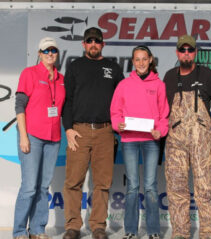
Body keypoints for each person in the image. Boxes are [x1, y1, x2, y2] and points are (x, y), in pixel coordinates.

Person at [163, 35, 211, 239]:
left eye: (190, 50)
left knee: (205, 187)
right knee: (176, 187)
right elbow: (162, 108)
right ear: (177, 53)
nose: (186, 54)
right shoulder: (169, 77)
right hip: (176, 142)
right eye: (183, 50)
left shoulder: (206, 74)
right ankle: (180, 232)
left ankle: (208, 231)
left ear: (195, 52)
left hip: (202, 140)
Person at [62, 27, 124, 239]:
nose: (93, 44)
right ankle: (72, 226)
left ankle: (98, 226)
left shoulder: (113, 68)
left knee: (103, 183)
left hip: (105, 132)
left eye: (97, 41)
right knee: (73, 181)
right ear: (83, 44)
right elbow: (67, 100)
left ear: (103, 44)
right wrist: (68, 128)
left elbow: (124, 99)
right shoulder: (75, 66)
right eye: (89, 41)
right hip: (78, 131)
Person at [110, 45, 169, 239]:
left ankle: (153, 230)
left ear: (150, 60)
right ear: (133, 62)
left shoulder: (159, 85)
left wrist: (160, 131)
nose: (141, 63)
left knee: (151, 185)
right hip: (129, 140)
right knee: (133, 186)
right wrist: (119, 125)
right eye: (137, 59)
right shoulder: (124, 85)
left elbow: (164, 114)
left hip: (151, 141)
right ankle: (131, 230)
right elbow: (115, 111)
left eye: (145, 59)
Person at [13, 37, 65, 239]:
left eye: (53, 50)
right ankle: (19, 231)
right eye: (46, 50)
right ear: (39, 54)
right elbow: (19, 106)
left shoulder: (61, 78)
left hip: (53, 138)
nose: (50, 53)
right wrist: (23, 137)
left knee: (43, 186)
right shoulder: (30, 73)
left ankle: (37, 229)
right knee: (29, 187)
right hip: (32, 136)